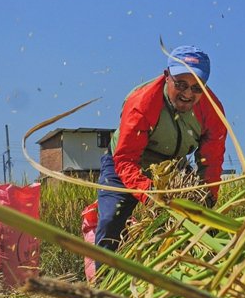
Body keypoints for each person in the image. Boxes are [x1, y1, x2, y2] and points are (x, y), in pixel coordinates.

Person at [94, 46, 228, 252]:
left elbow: (211, 160)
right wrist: (150, 195)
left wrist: (207, 198)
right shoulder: (142, 103)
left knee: (202, 226)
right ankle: (103, 279)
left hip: (173, 167)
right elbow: (126, 159)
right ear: (167, 76)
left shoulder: (212, 110)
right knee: (112, 220)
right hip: (126, 164)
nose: (187, 94)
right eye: (181, 84)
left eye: (196, 88)